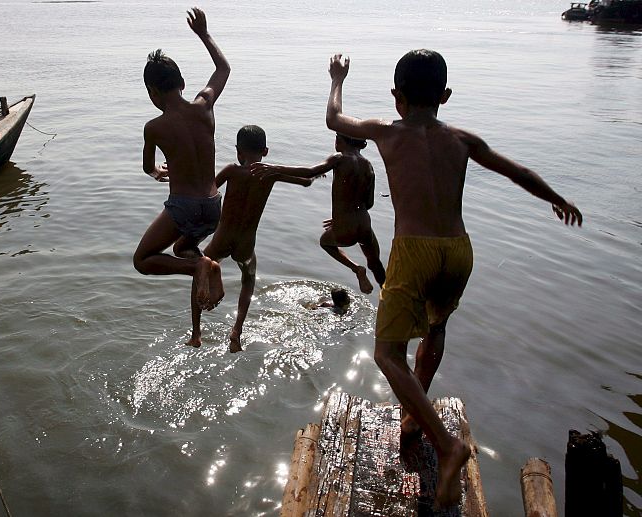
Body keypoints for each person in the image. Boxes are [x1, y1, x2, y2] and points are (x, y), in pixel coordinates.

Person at [324, 49, 583, 507]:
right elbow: (518, 172)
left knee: (387, 354)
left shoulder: (386, 130)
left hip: (415, 251)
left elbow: (335, 118)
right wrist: (556, 198)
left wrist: (337, 77)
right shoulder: (462, 139)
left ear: (396, 97)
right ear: (445, 95)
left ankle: (447, 445)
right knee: (436, 328)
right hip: (458, 252)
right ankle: (412, 418)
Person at [133, 7, 230, 312]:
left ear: (152, 92)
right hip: (214, 206)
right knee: (183, 247)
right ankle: (207, 265)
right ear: (183, 83)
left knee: (143, 260)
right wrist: (203, 33)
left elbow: (149, 168)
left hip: (184, 207)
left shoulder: (154, 128)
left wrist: (159, 172)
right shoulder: (205, 105)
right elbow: (223, 69)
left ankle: (196, 269)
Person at [189, 125, 312, 352]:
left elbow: (206, 190)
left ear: (238, 151)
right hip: (246, 243)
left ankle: (196, 334)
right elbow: (306, 181)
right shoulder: (270, 174)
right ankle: (236, 332)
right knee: (248, 279)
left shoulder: (232, 171)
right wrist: (291, 172)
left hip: (222, 238)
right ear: (265, 151)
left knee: (200, 272)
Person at [251, 133, 387, 294]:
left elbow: (310, 172)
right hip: (364, 224)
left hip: (345, 229)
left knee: (325, 242)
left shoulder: (339, 158)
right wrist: (345, 215)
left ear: (339, 141)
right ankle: (389, 294)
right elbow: (369, 203)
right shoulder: (368, 165)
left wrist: (274, 168)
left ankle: (356, 269)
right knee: (374, 262)